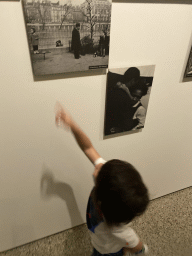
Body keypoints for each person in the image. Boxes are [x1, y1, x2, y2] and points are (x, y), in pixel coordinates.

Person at [55, 102, 149, 255]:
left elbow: (139, 248)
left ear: (100, 201)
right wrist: (72, 125)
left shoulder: (123, 233)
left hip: (108, 251)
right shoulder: (108, 184)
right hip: (99, 239)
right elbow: (88, 148)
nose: (98, 165)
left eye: (101, 168)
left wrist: (142, 250)